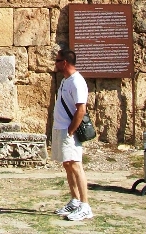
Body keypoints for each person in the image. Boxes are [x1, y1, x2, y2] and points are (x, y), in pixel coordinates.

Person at [53, 48, 93, 222]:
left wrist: (71, 130)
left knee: (76, 165)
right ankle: (75, 200)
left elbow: (81, 109)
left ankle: (85, 206)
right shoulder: (65, 81)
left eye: (57, 61)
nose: (55, 64)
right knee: (67, 164)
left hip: (70, 130)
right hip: (61, 128)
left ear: (65, 63)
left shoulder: (77, 82)